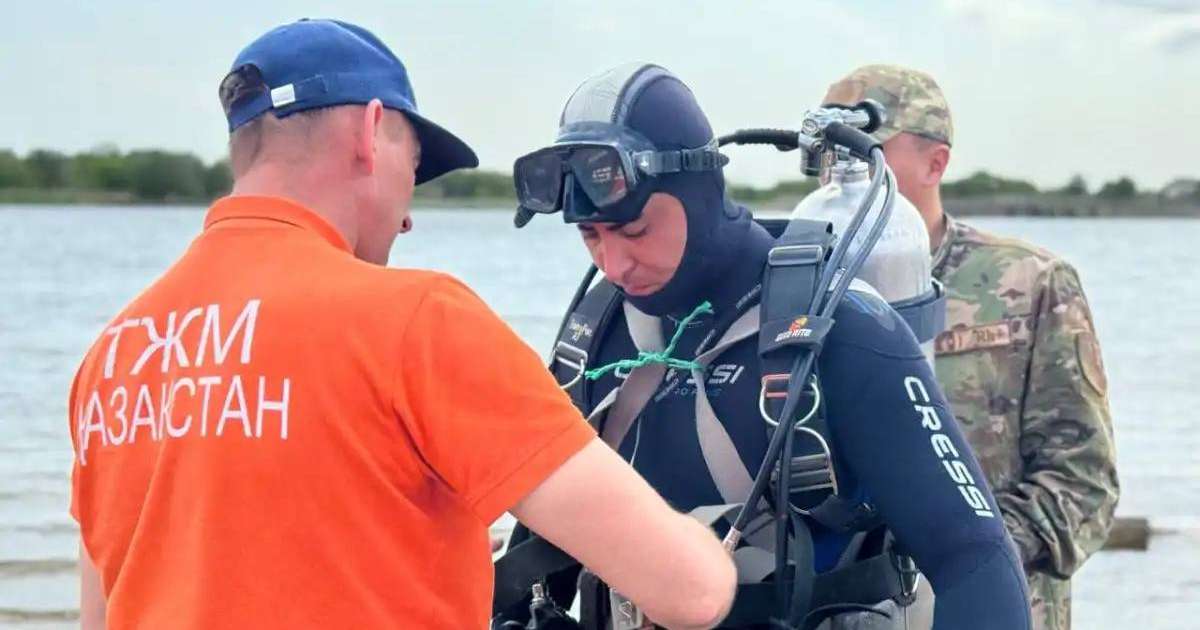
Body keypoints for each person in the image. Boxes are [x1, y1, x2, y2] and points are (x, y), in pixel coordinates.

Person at [67, 20, 736, 630]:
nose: (408, 217)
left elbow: (105, 613)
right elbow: (691, 591)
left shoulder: (111, 357)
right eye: (412, 168)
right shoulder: (416, 322)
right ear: (371, 132)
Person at [497, 62, 1031, 630]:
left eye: (634, 231)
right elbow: (537, 568)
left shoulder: (845, 329)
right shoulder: (596, 336)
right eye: (591, 237)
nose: (614, 263)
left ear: (698, 191)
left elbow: (974, 559)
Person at [823, 64, 1120, 630]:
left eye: (865, 153)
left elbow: (1085, 482)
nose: (840, 176)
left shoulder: (1030, 281)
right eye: (827, 156)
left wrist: (958, 548)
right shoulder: (805, 294)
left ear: (936, 163)